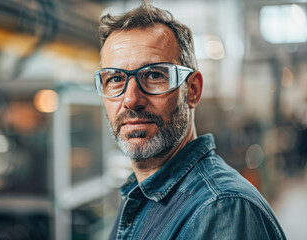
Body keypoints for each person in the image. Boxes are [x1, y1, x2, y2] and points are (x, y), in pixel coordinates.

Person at [94, 2, 286, 239]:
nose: (131, 99)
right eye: (115, 78)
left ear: (192, 90)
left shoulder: (220, 209)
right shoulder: (140, 193)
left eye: (154, 75)